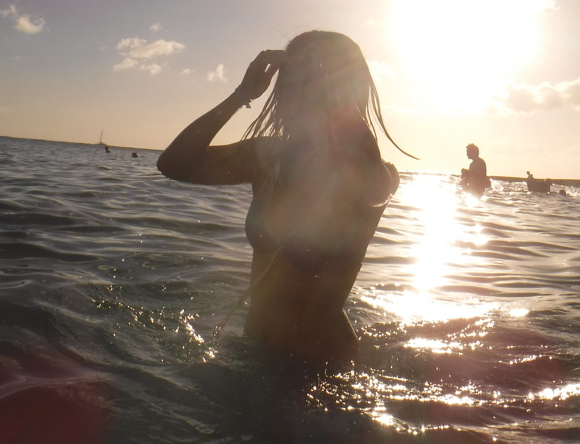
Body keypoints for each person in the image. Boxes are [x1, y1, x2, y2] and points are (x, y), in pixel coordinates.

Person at [157, 31, 405, 363]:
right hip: (256, 349)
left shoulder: (376, 173)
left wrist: (335, 86)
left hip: (321, 367)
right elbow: (175, 164)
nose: (304, 87)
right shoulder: (267, 157)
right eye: (296, 76)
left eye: (319, 76)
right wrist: (241, 95)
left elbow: (371, 189)